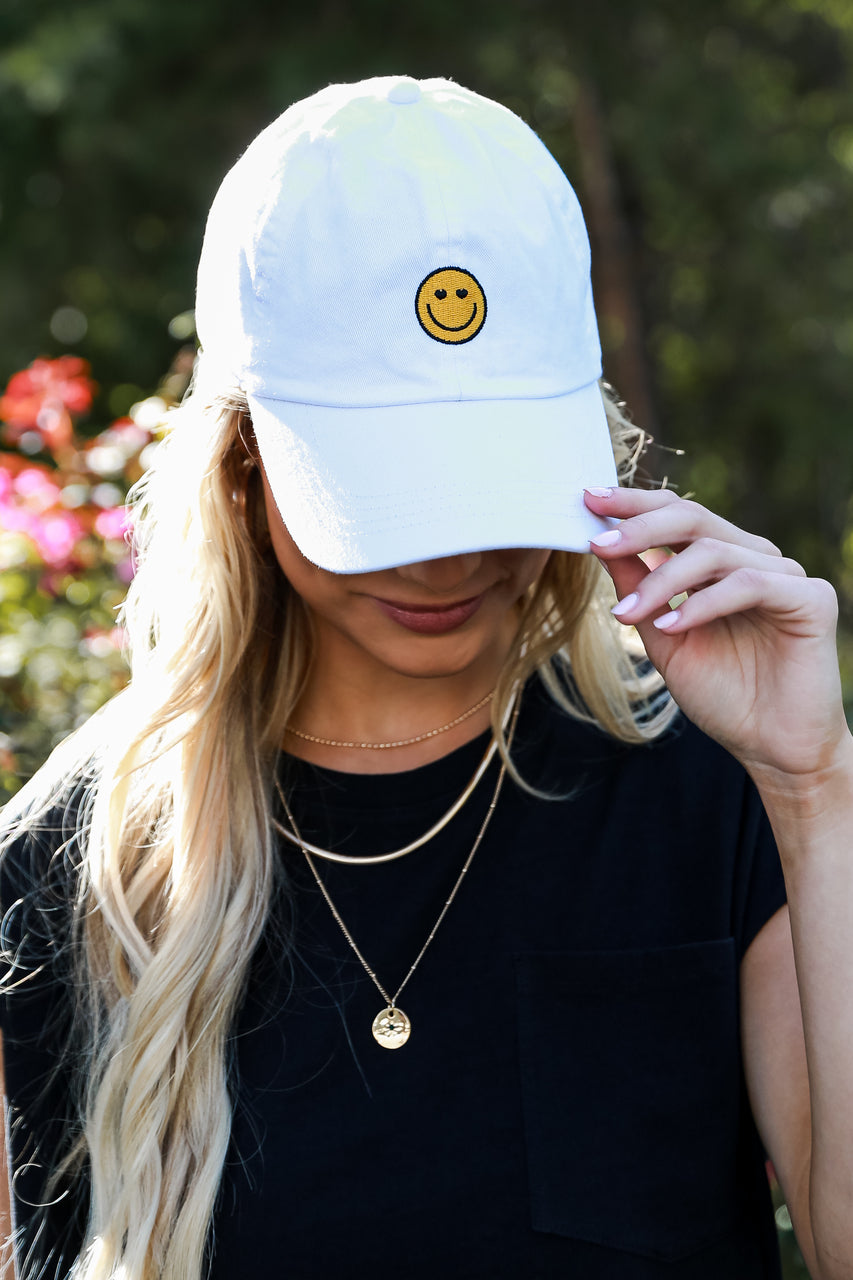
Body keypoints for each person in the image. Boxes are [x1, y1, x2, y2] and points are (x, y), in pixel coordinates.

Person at [1, 73, 851, 1280]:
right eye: (390, 496)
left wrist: (816, 785)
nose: (452, 555)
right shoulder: (73, 864)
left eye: (488, 478)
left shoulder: (714, 791)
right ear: (239, 467)